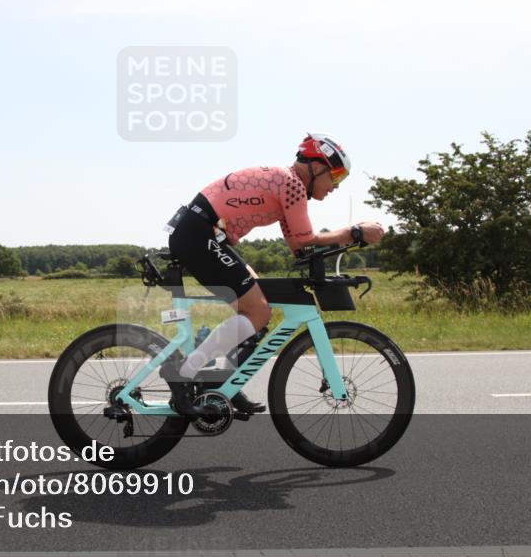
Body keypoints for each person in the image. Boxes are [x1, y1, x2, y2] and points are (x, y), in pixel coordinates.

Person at [161, 134, 384, 418]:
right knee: (258, 311)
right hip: (198, 234)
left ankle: (219, 380)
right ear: (316, 167)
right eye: (336, 176)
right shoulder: (291, 184)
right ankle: (183, 372)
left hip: (207, 235)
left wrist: (346, 244)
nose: (336, 187)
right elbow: (306, 239)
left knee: (258, 307)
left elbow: (298, 247)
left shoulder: (288, 185)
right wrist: (354, 231)